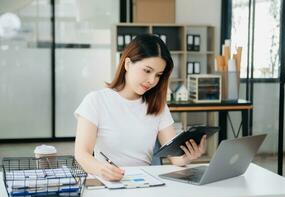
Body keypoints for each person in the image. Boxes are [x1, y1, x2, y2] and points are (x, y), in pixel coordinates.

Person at [74, 34, 207, 181]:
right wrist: (102, 169)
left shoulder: (158, 106)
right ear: (127, 64)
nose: (152, 80)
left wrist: (189, 156)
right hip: (109, 182)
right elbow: (81, 153)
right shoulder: (96, 101)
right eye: (147, 70)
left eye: (158, 75)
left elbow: (175, 159)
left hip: (144, 183)